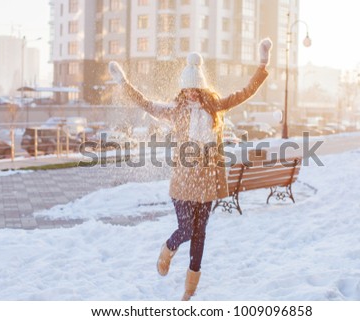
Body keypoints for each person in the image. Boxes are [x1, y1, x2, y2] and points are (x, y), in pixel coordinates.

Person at [108, 38, 272, 300]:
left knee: (200, 234)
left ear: (202, 88)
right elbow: (147, 104)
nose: (192, 94)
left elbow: (244, 92)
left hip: (207, 180)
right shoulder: (176, 111)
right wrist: (123, 83)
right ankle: (168, 248)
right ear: (182, 90)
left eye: (196, 89)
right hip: (184, 181)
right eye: (188, 90)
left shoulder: (215, 108)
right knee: (186, 230)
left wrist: (263, 63)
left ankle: (189, 289)